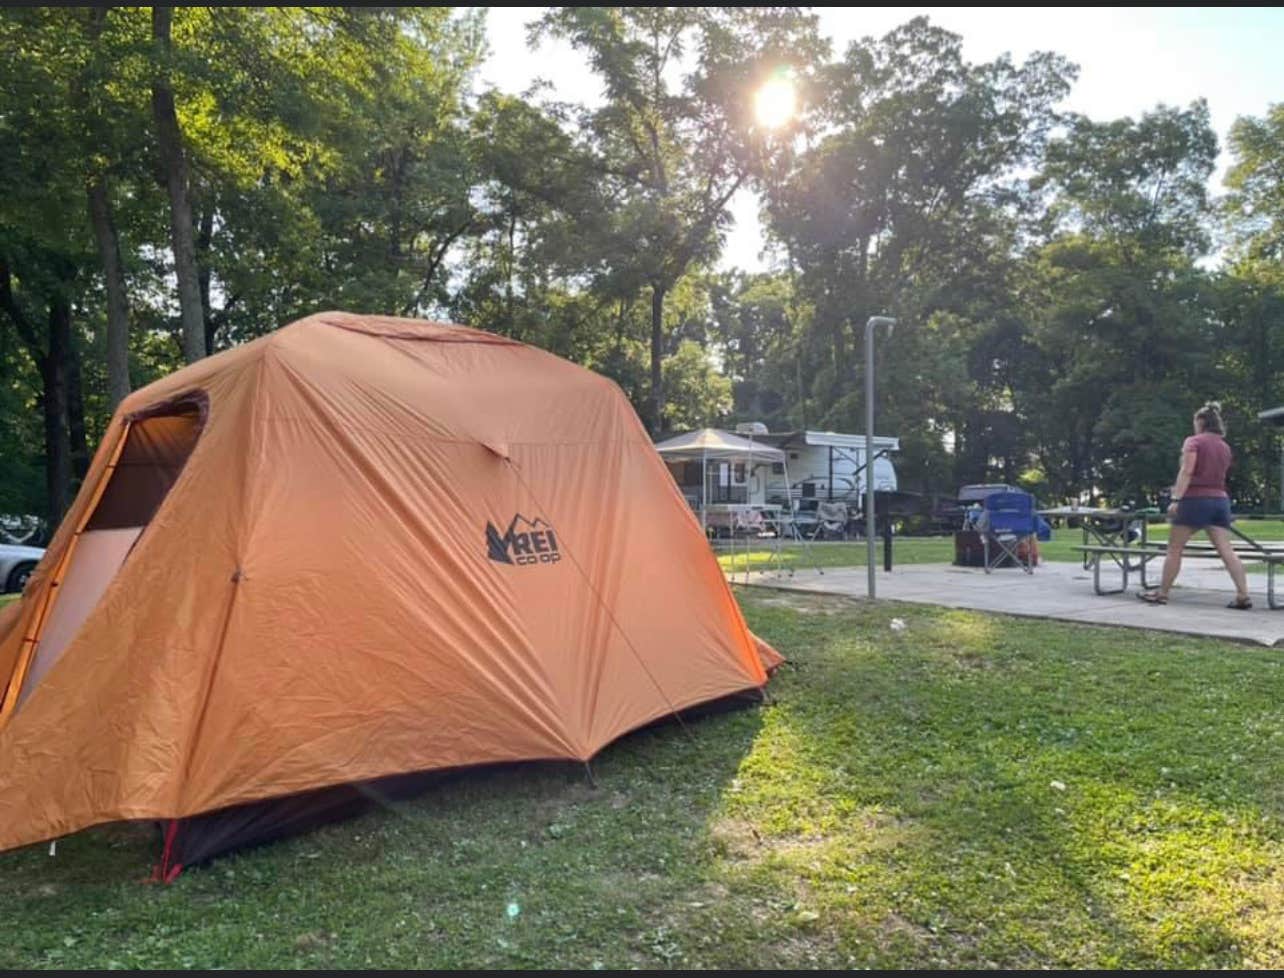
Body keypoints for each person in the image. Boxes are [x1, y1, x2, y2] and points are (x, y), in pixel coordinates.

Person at [1138, 402, 1251, 608]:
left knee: (1174, 548)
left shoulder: (1194, 441)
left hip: (1195, 500)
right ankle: (1243, 595)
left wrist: (1176, 498)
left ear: (1201, 422)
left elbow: (1187, 471)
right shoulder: (1224, 446)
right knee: (1226, 550)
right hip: (1220, 500)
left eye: (1195, 422)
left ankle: (1162, 593)